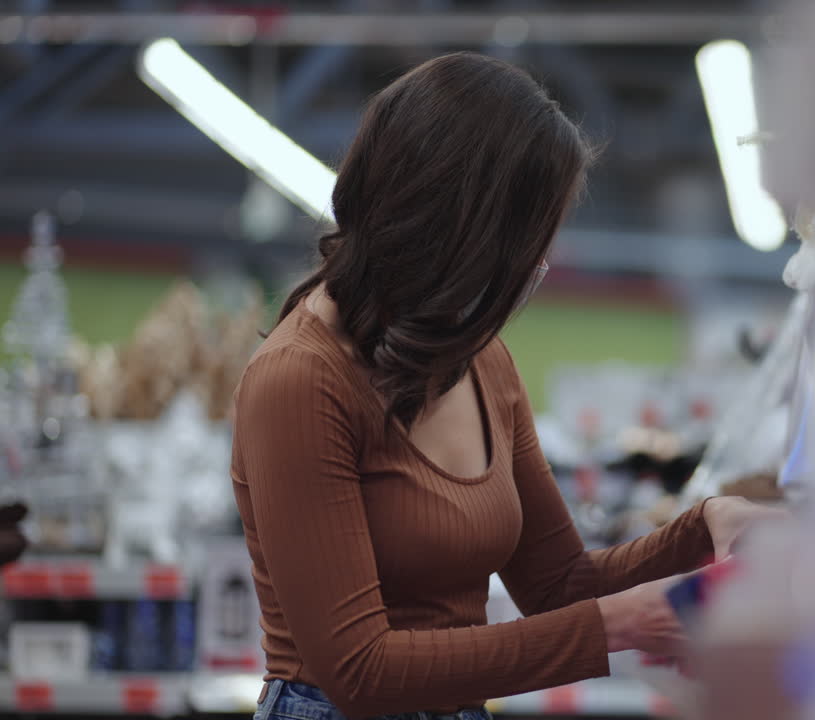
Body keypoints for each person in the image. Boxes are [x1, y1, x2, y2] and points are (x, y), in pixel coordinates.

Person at [232, 52, 776, 720]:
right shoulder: (300, 381)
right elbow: (359, 671)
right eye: (523, 246)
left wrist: (704, 527)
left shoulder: (482, 363)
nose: (536, 270)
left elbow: (559, 586)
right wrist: (615, 626)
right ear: (457, 231)